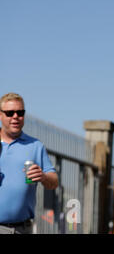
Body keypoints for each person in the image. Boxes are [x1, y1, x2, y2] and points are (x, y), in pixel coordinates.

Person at [0, 93, 58, 234]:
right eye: (9, 113)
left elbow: (54, 182)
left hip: (22, 229)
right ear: (0, 115)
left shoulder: (35, 146)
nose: (15, 117)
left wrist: (43, 177)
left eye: (20, 112)